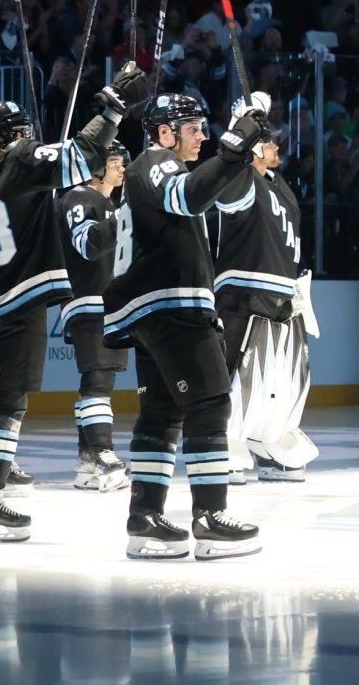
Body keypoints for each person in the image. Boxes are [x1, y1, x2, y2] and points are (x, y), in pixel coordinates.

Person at [0, 71, 145, 543]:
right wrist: (113, 107)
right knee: (8, 406)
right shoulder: (18, 161)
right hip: (16, 307)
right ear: (15, 135)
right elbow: (82, 154)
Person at [105, 92, 269, 560]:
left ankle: (144, 519)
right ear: (163, 134)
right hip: (170, 304)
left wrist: (240, 144)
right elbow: (191, 194)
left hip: (151, 306)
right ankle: (210, 517)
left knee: (161, 412)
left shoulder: (155, 169)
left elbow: (226, 197)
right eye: (193, 128)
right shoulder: (156, 162)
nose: (203, 135)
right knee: (210, 400)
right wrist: (236, 143)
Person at [211, 123, 317, 483]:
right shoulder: (240, 180)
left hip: (284, 292)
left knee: (283, 375)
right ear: (253, 150)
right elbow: (227, 175)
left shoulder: (278, 184)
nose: (278, 148)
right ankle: (226, 441)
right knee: (240, 370)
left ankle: (270, 441)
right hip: (244, 290)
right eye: (270, 143)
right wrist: (239, 133)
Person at [59, 140, 129, 492]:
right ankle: (101, 452)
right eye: (114, 161)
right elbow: (87, 244)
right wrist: (124, 217)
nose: (121, 168)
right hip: (90, 301)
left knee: (100, 380)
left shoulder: (104, 202)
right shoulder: (80, 198)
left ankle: (88, 461)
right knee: (98, 380)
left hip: (104, 302)